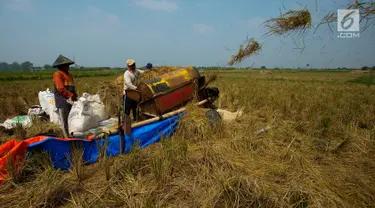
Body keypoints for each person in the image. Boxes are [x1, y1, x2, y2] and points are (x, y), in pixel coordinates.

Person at [52, 55, 78, 137]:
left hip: (70, 101)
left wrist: (76, 96)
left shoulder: (69, 75)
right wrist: (70, 95)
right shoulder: (58, 74)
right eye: (66, 65)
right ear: (61, 66)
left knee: (72, 119)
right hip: (62, 101)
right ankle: (66, 138)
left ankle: (72, 135)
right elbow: (60, 88)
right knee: (65, 120)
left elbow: (72, 87)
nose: (68, 67)